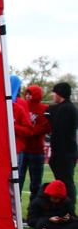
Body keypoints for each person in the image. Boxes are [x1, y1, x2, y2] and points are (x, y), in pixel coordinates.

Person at [45, 82, 78, 213]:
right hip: (67, 152)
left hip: (63, 154)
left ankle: (69, 212)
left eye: (55, 93)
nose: (53, 95)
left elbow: (59, 132)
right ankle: (66, 211)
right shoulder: (68, 108)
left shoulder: (65, 109)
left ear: (60, 94)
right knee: (65, 182)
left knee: (65, 184)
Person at [20, 85, 50, 208]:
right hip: (22, 149)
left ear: (36, 94)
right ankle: (15, 211)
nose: (27, 96)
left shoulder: (44, 108)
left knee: (36, 183)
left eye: (30, 93)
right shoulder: (22, 106)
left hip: (36, 150)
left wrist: (30, 131)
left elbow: (46, 127)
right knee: (18, 181)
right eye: (26, 93)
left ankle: (33, 211)